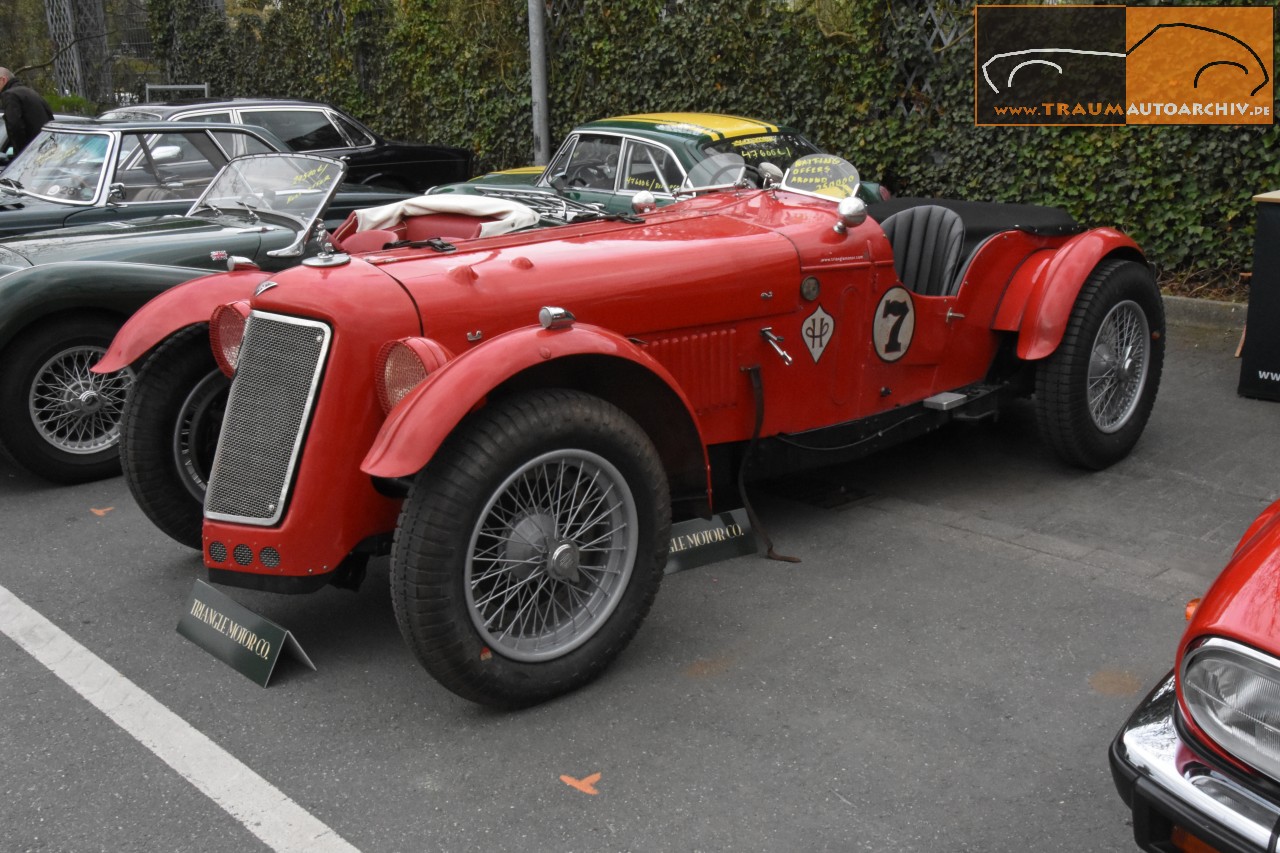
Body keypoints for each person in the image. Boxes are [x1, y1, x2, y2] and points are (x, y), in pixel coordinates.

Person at [0, 67, 54, 157]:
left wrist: (21, 156)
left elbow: (15, 127)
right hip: (45, 149)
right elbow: (50, 118)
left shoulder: (10, 95)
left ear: (3, 80)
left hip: (30, 155)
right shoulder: (30, 92)